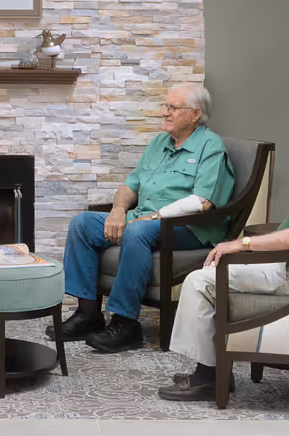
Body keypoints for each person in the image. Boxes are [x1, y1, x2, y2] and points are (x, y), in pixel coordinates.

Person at [157, 110, 289, 401]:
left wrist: (242, 244)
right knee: (207, 273)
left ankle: (208, 376)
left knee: (199, 281)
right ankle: (210, 370)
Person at [52, 83, 237, 354]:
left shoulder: (211, 146)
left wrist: (154, 217)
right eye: (166, 107)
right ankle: (88, 314)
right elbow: (131, 185)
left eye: (173, 108)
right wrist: (117, 212)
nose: (165, 113)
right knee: (83, 224)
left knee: (137, 232)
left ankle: (125, 324)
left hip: (189, 228)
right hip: (143, 219)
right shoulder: (160, 142)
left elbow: (202, 202)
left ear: (196, 114)